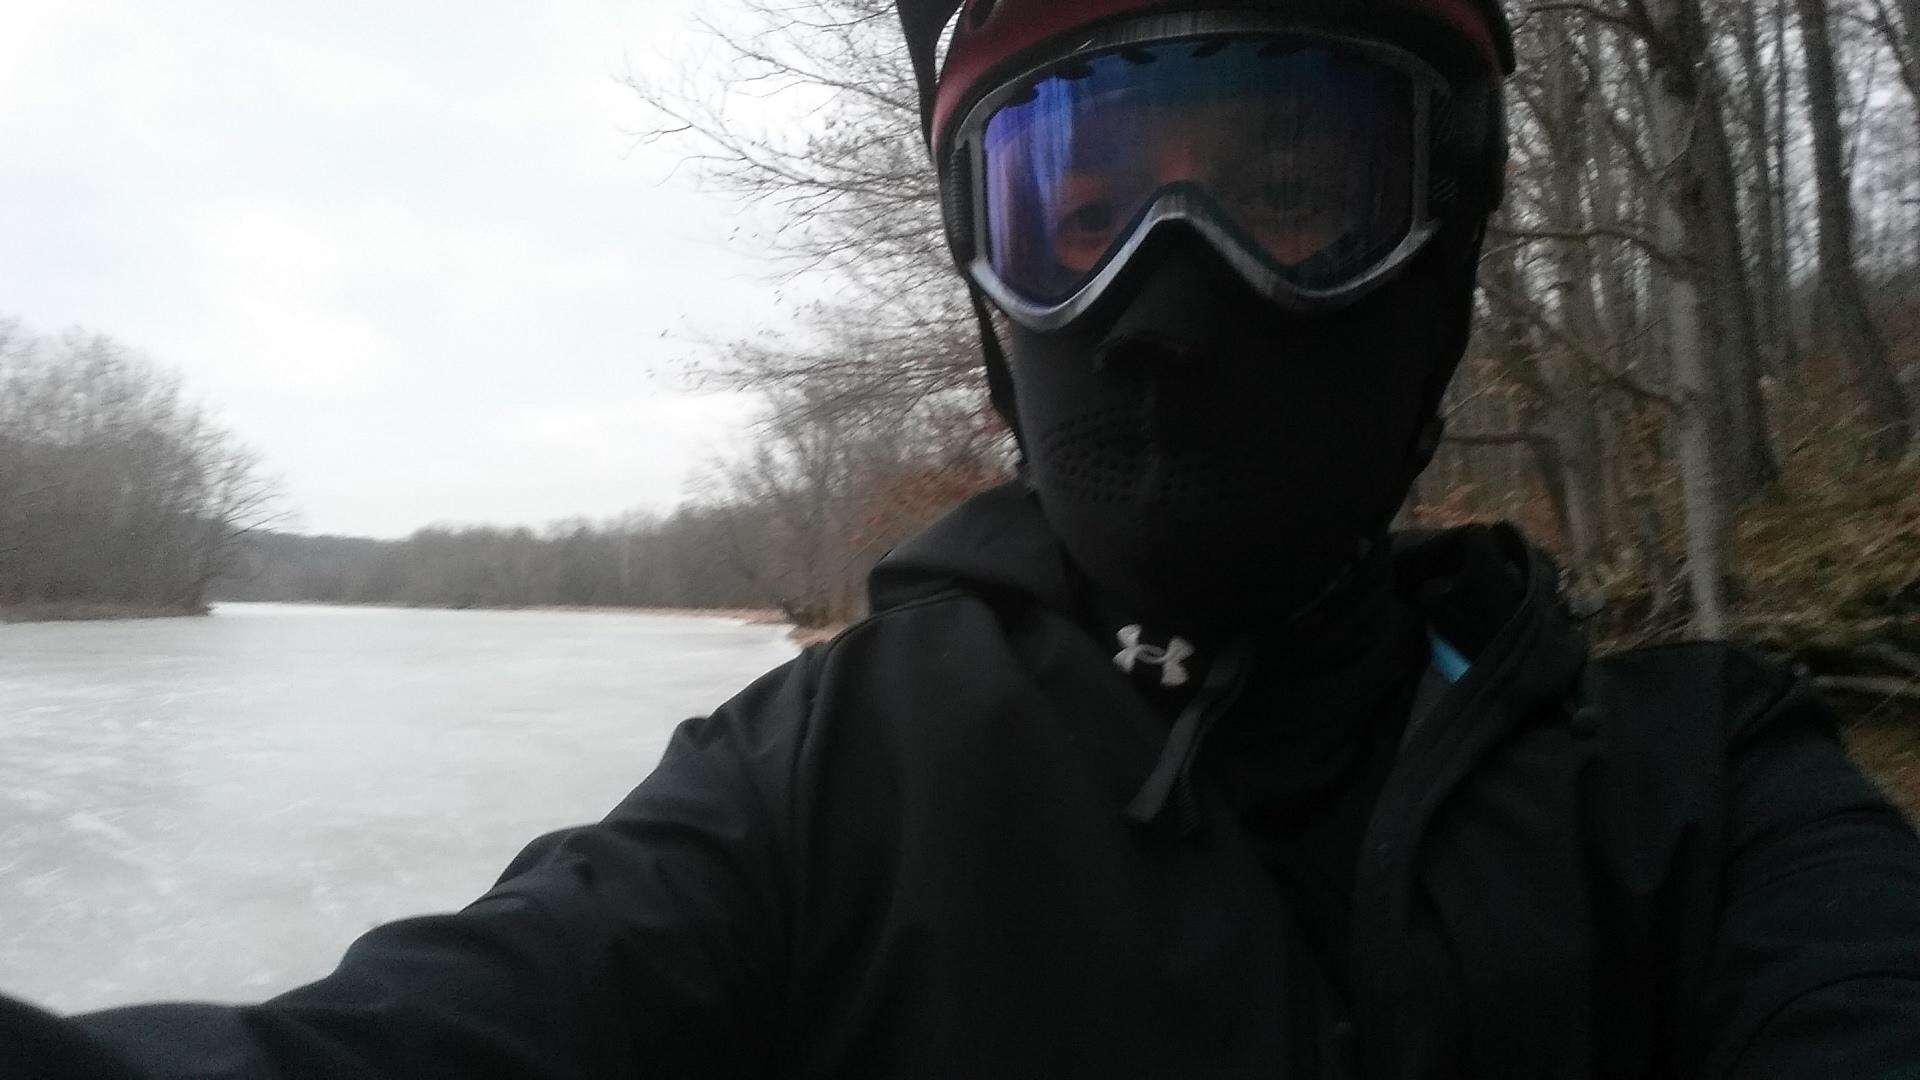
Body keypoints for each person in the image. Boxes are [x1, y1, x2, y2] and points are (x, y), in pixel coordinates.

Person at [8, 0, 1920, 1076]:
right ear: (990, 297)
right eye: (1076, 209)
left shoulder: (1702, 798)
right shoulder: (823, 784)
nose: (1178, 299)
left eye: (1288, 186)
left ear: (1439, 249)